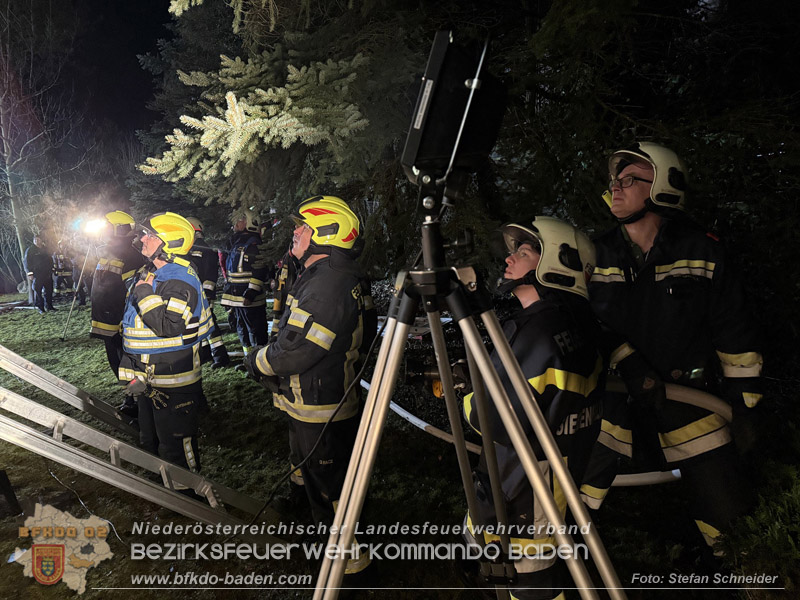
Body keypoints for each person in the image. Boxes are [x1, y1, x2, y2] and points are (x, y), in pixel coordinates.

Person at [580, 142, 762, 553]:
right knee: (568, 511)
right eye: (615, 180)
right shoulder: (593, 254)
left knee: (732, 525)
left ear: (662, 185)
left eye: (629, 179)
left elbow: (735, 335)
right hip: (612, 407)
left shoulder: (702, 251)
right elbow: (582, 324)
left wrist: (745, 407)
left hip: (690, 405)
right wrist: (626, 363)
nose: (617, 187)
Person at [461, 217, 603, 600]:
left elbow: (487, 416)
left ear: (556, 264)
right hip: (546, 488)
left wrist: (465, 392)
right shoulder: (575, 328)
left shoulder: (535, 334)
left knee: (528, 589)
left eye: (523, 252)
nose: (509, 259)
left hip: (521, 495)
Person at [244, 195, 375, 576]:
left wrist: (258, 361)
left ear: (326, 234)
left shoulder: (328, 285)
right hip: (310, 398)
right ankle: (310, 516)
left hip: (321, 403)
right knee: (309, 470)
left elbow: (300, 350)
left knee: (331, 488)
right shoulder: (326, 276)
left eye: (304, 227)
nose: (296, 232)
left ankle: (350, 568)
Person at [119, 212, 213, 476]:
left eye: (150, 235)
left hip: (175, 380)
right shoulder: (155, 272)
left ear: (168, 244)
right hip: (153, 376)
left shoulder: (179, 280)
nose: (143, 239)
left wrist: (143, 292)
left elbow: (169, 327)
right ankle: (160, 487)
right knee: (151, 439)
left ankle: (188, 495)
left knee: (175, 443)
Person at [90, 211, 146, 390]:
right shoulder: (109, 252)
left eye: (106, 227)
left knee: (126, 360)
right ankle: (131, 395)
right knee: (115, 359)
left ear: (119, 229)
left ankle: (137, 398)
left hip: (120, 320)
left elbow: (134, 292)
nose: (103, 231)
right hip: (106, 318)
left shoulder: (130, 256)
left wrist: (124, 319)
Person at [220, 209, 269, 368]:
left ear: (249, 222)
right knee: (242, 330)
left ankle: (259, 364)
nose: (236, 223)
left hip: (249, 299)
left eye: (240, 219)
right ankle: (249, 361)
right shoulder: (238, 242)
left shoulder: (253, 243)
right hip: (238, 298)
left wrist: (251, 292)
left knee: (256, 331)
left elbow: (260, 269)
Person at [187, 217, 230, 370]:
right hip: (196, 293)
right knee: (199, 324)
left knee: (210, 324)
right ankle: (206, 354)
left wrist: (206, 292)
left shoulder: (202, 248)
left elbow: (209, 273)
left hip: (203, 294)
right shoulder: (192, 249)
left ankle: (221, 357)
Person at [23, 236, 55, 314]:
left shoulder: (45, 249)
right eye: (35, 240)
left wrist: (52, 269)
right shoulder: (30, 250)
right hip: (37, 274)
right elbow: (26, 263)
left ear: (41, 240)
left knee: (49, 291)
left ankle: (49, 306)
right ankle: (41, 308)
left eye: (38, 239)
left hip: (47, 273)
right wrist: (30, 274)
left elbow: (50, 259)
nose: (37, 241)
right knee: (38, 291)